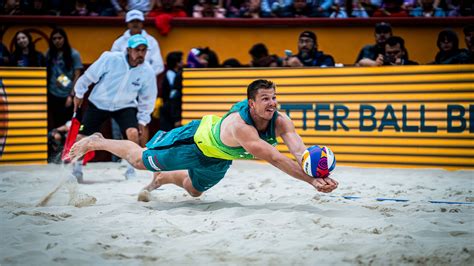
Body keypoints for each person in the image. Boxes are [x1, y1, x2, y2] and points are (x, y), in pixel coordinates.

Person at [69, 79, 339, 201]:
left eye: (274, 97)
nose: (272, 103)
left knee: (194, 190)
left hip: (219, 157)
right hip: (193, 143)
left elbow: (300, 150)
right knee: (141, 160)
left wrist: (314, 170)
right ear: (252, 103)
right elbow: (277, 159)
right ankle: (98, 140)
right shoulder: (241, 126)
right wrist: (312, 181)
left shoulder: (280, 120)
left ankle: (164, 178)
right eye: (265, 99)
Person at [71, 34, 157, 182]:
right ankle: (76, 169)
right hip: (99, 103)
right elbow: (89, 76)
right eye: (137, 50)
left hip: (125, 105)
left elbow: (148, 98)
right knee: (82, 137)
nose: (141, 54)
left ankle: (131, 169)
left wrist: (143, 120)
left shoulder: (147, 70)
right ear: (129, 50)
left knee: (133, 133)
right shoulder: (110, 58)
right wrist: (79, 92)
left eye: (144, 50)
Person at [46, 28, 83, 131]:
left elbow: (77, 75)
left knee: (69, 123)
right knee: (57, 122)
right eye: (54, 39)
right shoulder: (49, 53)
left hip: (67, 94)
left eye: (59, 38)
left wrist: (71, 95)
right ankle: (58, 146)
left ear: (64, 39)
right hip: (53, 93)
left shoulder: (73, 54)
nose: (57, 41)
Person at [159, 51, 183, 131]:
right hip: (169, 107)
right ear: (177, 63)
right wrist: (175, 117)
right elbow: (173, 94)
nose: (183, 62)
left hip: (172, 107)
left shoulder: (176, 73)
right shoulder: (171, 74)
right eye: (181, 60)